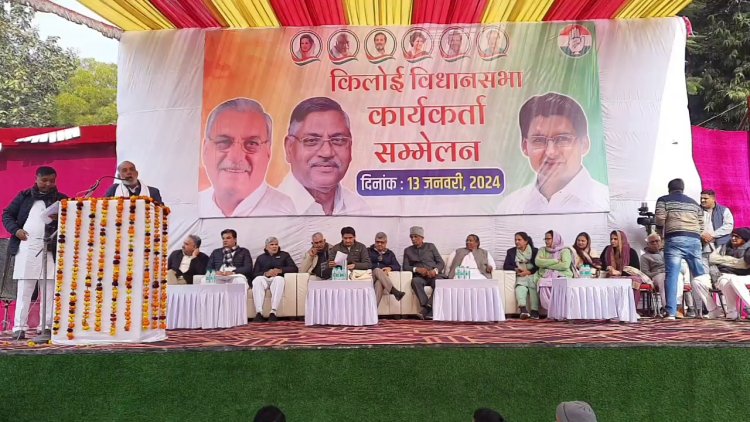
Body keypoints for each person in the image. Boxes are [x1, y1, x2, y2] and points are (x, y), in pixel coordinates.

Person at [497, 93, 608, 214]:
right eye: (539, 140)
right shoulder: (509, 207)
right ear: (525, 146)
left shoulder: (605, 203)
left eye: (562, 139)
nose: (550, 152)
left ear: (584, 144)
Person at [2, 166, 67, 340]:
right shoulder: (24, 196)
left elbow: (73, 220)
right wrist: (16, 231)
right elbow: (7, 215)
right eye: (44, 180)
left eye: (51, 181)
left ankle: (46, 325)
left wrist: (61, 218)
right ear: (36, 179)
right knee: (25, 288)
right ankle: (19, 327)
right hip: (26, 247)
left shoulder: (62, 200)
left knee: (49, 288)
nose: (48, 184)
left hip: (51, 248)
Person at [200, 98, 294, 217]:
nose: (235, 157)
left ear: (268, 151)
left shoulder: (286, 211)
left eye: (251, 144)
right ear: (205, 150)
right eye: (223, 142)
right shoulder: (193, 207)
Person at [280, 97, 369, 215]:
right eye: (311, 141)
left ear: (350, 146)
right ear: (289, 148)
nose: (327, 153)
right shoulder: (270, 211)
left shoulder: (361, 209)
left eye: (338, 140)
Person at [655, 178, 710, 320]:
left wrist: (660, 234)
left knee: (672, 276)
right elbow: (701, 225)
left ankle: (671, 312)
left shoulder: (663, 200)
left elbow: (660, 219)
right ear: (683, 189)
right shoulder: (694, 203)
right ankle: (708, 309)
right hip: (694, 240)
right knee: (699, 275)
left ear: (669, 189)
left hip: (674, 240)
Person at [641, 233, 694, 317]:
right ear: (648, 244)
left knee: (678, 276)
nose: (655, 243)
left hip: (671, 272)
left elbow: (680, 266)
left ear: (661, 242)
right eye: (652, 242)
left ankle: (677, 306)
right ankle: (668, 308)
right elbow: (645, 273)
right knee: (664, 278)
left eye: (657, 241)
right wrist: (659, 271)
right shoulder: (645, 257)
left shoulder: (669, 252)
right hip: (657, 276)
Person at [705, 228, 750, 320]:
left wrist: (722, 261)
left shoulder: (748, 248)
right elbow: (712, 258)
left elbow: (743, 264)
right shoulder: (725, 246)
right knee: (697, 281)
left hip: (743, 275)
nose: (733, 238)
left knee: (730, 279)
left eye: (737, 236)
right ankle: (724, 311)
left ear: (744, 238)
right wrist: (732, 261)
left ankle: (734, 310)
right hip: (722, 273)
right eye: (732, 236)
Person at [250, 237, 297, 322]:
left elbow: (294, 269)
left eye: (276, 244)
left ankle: (273, 312)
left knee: (279, 279)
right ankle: (259, 313)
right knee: (257, 280)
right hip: (264, 279)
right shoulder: (261, 258)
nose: (274, 246)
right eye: (272, 244)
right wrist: (266, 273)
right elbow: (254, 274)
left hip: (277, 279)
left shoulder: (284, 255)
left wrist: (280, 270)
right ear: (266, 247)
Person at [403, 226, 445, 319]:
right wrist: (416, 269)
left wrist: (435, 271)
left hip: (433, 275)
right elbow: (405, 267)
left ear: (422, 237)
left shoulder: (431, 246)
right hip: (420, 277)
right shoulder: (408, 250)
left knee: (439, 282)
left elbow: (441, 263)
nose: (413, 239)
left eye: (416, 236)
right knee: (415, 281)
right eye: (411, 237)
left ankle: (427, 308)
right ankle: (427, 307)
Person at [699, 189, 734, 282]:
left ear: (713, 199)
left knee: (720, 273)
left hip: (720, 247)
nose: (702, 200)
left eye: (705, 198)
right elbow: (692, 225)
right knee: (704, 274)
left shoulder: (724, 210)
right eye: (701, 198)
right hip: (702, 247)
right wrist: (702, 235)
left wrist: (712, 235)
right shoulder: (696, 211)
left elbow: (728, 226)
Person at [535, 230, 574, 313]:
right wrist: (555, 261)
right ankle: (551, 311)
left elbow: (565, 265)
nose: (546, 241)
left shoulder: (565, 250)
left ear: (556, 239)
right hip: (546, 275)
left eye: (548, 239)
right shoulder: (542, 250)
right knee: (543, 282)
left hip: (562, 275)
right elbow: (538, 262)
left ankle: (560, 311)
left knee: (560, 282)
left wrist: (546, 264)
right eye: (545, 239)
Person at [503, 232, 539, 319]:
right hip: (520, 275)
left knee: (533, 287)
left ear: (526, 241)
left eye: (519, 240)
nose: (516, 242)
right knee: (520, 288)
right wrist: (516, 269)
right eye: (515, 240)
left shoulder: (535, 251)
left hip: (532, 274)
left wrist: (528, 272)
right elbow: (506, 265)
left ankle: (534, 311)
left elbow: (538, 266)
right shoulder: (511, 251)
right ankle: (523, 310)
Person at [367, 232, 406, 304]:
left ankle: (373, 310)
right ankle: (394, 291)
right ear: (374, 241)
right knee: (377, 270)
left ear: (386, 242)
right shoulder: (368, 251)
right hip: (370, 276)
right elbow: (365, 263)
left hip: (382, 280)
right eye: (377, 242)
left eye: (382, 242)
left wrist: (390, 268)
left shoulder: (390, 254)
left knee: (379, 284)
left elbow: (397, 266)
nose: (379, 244)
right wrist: (378, 270)